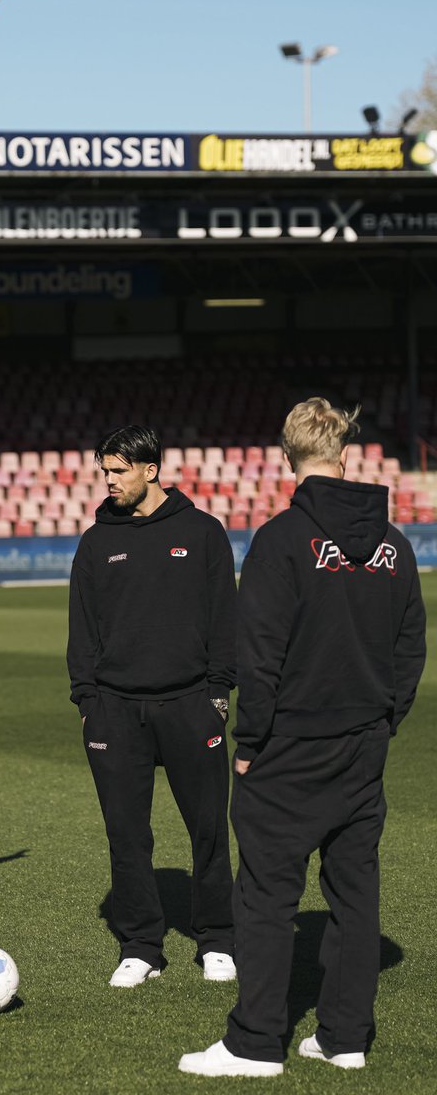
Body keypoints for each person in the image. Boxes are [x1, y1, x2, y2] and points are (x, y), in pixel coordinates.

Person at [180, 398, 426, 1078]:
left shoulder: (282, 540)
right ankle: (345, 1037)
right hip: (362, 746)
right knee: (354, 891)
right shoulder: (395, 546)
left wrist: (251, 741)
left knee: (264, 896)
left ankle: (256, 1044)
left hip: (288, 748)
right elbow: (411, 649)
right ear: (347, 456)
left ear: (288, 460)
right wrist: (385, 721)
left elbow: (257, 655)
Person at [68, 425, 238, 989]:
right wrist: (88, 701)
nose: (109, 481)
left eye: (118, 471)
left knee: (209, 830)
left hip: (192, 704)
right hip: (115, 711)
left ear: (151, 470)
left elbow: (225, 620)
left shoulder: (203, 532)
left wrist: (217, 695)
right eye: (105, 471)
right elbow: (81, 630)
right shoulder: (95, 542)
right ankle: (140, 946)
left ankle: (216, 937)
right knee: (127, 834)